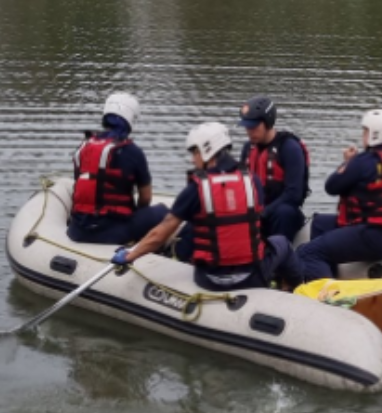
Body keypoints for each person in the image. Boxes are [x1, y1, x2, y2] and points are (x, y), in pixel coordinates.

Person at [112, 122, 302, 292]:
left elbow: (160, 233)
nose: (193, 159)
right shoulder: (253, 181)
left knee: (192, 228)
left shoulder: (196, 188)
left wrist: (130, 256)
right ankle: (295, 289)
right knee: (282, 243)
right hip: (252, 276)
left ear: (206, 150)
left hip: (210, 280)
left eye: (195, 152)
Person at [296, 109, 382, 282]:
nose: (363, 135)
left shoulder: (363, 161)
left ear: (375, 134)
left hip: (373, 235)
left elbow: (332, 186)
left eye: (365, 131)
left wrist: (348, 162)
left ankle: (327, 299)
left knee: (308, 252)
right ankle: (330, 271)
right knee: (320, 224)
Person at [67, 93, 170, 245]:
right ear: (131, 119)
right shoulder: (133, 152)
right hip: (114, 232)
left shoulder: (84, 147)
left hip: (77, 231)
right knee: (163, 211)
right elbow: (145, 197)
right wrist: (138, 213)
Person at [238, 96, 310, 241]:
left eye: (254, 126)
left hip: (281, 213)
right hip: (256, 210)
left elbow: (293, 194)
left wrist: (264, 213)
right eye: (247, 127)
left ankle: (279, 256)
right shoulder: (248, 148)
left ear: (267, 123)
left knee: (284, 212)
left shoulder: (289, 148)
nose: (249, 131)